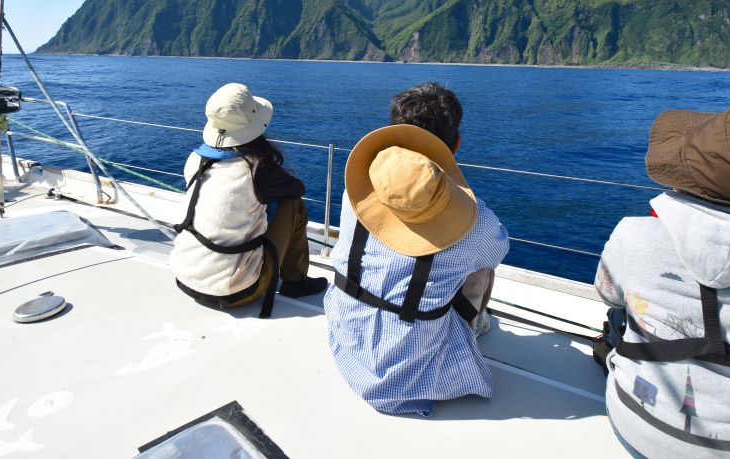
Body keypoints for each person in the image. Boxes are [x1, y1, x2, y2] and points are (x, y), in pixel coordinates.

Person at [595, 107, 730, 458]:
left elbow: (605, 292)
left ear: (684, 176)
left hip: (639, 433)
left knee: (620, 311)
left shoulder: (634, 234)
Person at [324, 82, 509, 416]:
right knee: (482, 263)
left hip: (345, 333)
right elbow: (497, 250)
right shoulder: (476, 222)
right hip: (405, 373)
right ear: (455, 144)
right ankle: (475, 327)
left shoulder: (358, 188)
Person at [171, 83, 327, 318]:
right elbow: (296, 189)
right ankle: (295, 282)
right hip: (237, 291)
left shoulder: (194, 160)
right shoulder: (257, 168)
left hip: (185, 276)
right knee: (293, 205)